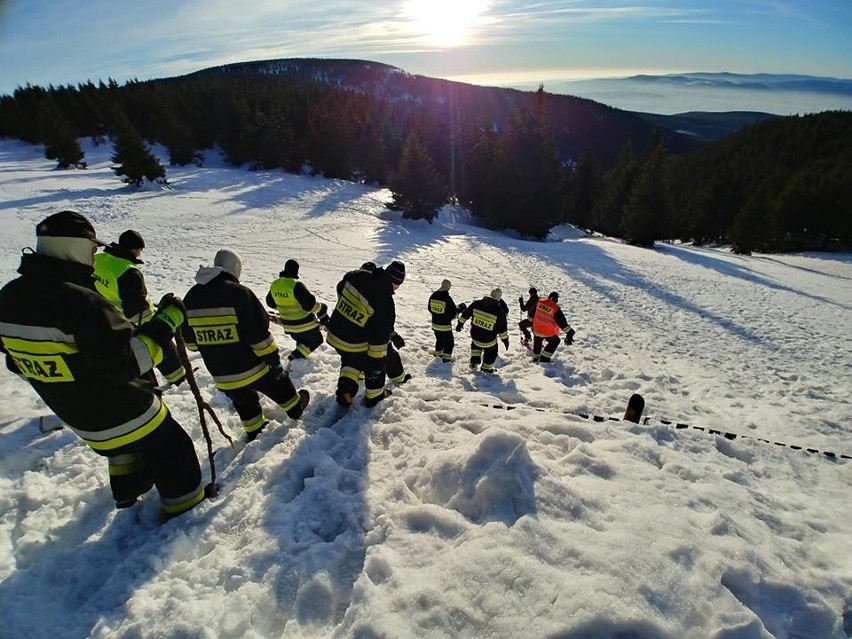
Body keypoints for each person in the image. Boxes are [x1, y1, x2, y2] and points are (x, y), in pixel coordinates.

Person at [0, 211, 206, 517]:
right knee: (173, 447)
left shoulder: (8, 298)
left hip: (76, 416)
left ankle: (127, 490)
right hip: (116, 406)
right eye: (91, 250)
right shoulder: (80, 302)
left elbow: (17, 363)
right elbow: (129, 362)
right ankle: (184, 514)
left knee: (124, 444)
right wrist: (166, 323)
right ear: (76, 247)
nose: (94, 257)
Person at [182, 249, 310, 442]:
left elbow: (191, 344)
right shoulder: (239, 294)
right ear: (236, 269)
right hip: (251, 367)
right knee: (280, 384)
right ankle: (295, 408)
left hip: (221, 375)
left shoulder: (190, 298)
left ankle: (255, 430)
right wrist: (273, 360)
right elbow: (259, 334)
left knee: (244, 402)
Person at [93, 229, 186, 388]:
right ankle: (179, 380)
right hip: (127, 320)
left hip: (101, 318)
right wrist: (157, 323)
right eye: (139, 250)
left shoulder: (97, 259)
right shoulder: (128, 271)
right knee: (160, 343)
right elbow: (136, 307)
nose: (140, 255)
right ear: (132, 249)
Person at [326, 260, 405, 407]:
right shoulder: (385, 303)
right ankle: (375, 397)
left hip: (334, 332)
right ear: (397, 283)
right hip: (353, 340)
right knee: (373, 360)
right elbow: (378, 344)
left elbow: (343, 288)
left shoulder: (356, 275)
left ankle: (345, 391)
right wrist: (377, 364)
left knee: (351, 361)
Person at [266, 258, 329, 361]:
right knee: (316, 340)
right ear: (296, 270)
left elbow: (270, 303)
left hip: (288, 325)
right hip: (304, 323)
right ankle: (295, 357)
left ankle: (298, 362)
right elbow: (309, 305)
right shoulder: (295, 284)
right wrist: (322, 309)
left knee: (303, 342)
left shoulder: (275, 284)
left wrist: (284, 307)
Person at [456, 288, 509, 373]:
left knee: (476, 345)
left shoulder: (476, 304)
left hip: (475, 336)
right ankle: (487, 368)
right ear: (499, 298)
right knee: (492, 352)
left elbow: (465, 315)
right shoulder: (499, 311)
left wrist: (460, 324)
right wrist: (505, 340)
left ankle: (474, 362)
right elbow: (503, 330)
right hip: (489, 341)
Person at [531, 291, 576, 363]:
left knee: (537, 340)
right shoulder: (555, 309)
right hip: (547, 332)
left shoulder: (540, 302)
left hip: (536, 329)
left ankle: (535, 358)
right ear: (556, 300)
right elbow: (563, 324)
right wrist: (570, 333)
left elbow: (531, 316)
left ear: (548, 297)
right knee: (555, 341)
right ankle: (544, 358)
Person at [428, 278, 457, 362]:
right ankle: (446, 359)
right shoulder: (447, 298)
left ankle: (438, 354)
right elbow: (453, 313)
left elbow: (429, 308)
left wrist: (437, 314)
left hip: (435, 324)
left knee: (439, 340)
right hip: (445, 326)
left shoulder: (433, 295)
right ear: (448, 287)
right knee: (449, 342)